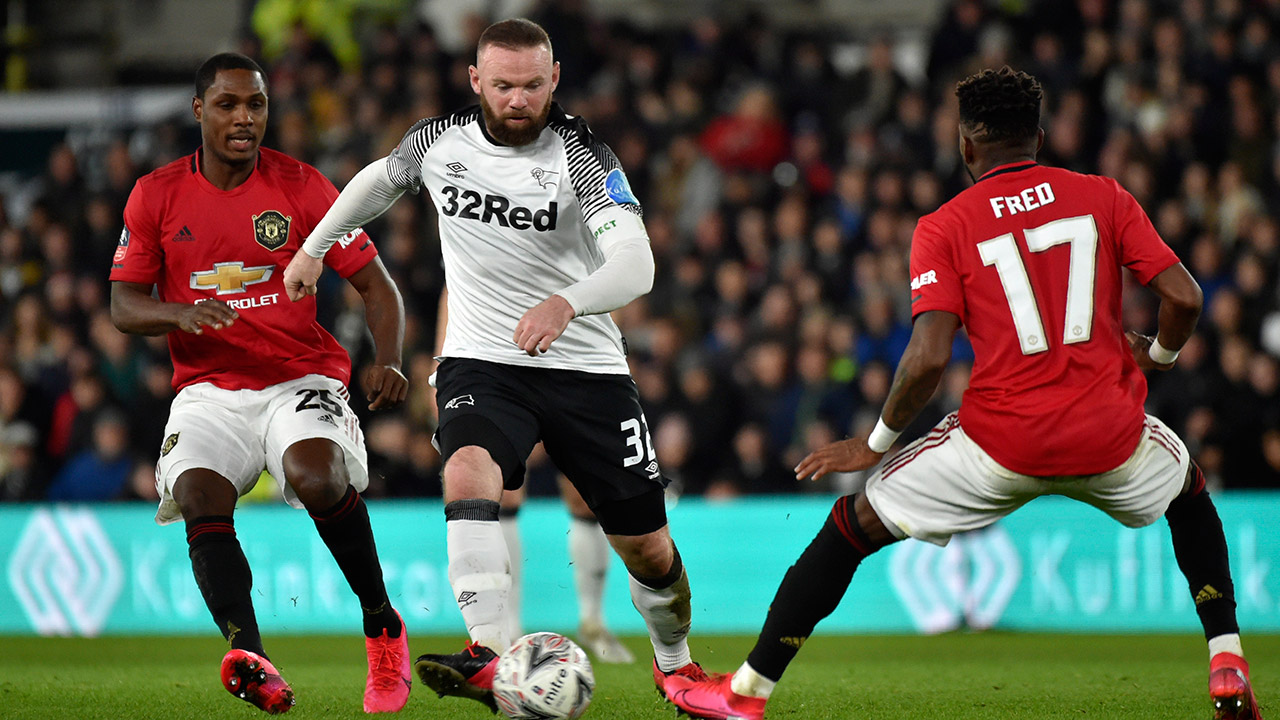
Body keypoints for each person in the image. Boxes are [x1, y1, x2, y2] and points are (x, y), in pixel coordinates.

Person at [667, 67, 1263, 720]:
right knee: (1189, 492)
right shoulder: (1104, 196)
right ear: (1039, 137)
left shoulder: (945, 225)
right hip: (1108, 436)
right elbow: (1185, 297)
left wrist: (875, 444)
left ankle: (746, 694)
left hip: (999, 445)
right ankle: (1227, 662)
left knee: (852, 526)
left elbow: (927, 358)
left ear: (966, 145)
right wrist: (1158, 355)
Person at [283, 17, 704, 712]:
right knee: (466, 472)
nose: (518, 100)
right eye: (504, 85)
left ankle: (677, 665)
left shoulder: (582, 157)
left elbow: (637, 264)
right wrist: (313, 248)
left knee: (650, 552)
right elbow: (377, 182)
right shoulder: (439, 141)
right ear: (476, 79)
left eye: (533, 85)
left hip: (586, 367)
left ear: (554, 79)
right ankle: (485, 652)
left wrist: (567, 303)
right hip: (483, 359)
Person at [109, 52, 413, 715]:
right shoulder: (156, 194)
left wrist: (388, 359)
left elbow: (377, 287)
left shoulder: (304, 187)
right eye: (228, 104)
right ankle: (252, 657)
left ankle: (382, 624)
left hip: (298, 376)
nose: (244, 118)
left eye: (256, 104)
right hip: (209, 388)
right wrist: (179, 313)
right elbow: (124, 305)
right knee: (197, 492)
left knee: (317, 476)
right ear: (199, 110)